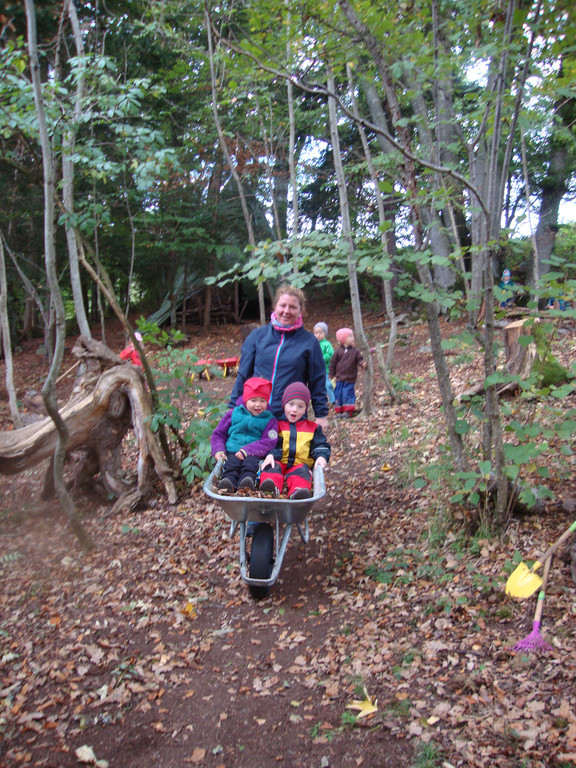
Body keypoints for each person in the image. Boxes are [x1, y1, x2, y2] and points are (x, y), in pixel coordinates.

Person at [229, 284, 329, 429]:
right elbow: (243, 375)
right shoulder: (257, 336)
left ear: (300, 311)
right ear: (275, 306)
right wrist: (233, 407)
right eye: (282, 305)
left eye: (293, 307)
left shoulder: (309, 342)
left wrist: (321, 415)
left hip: (290, 417)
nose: (286, 311)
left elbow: (317, 380)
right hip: (255, 415)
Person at [259, 383, 330, 500]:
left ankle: (298, 491)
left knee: (302, 473)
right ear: (284, 405)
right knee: (271, 467)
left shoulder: (313, 428)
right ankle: (270, 487)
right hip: (280, 462)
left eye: (300, 406)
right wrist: (271, 454)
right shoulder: (276, 426)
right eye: (291, 404)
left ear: (305, 409)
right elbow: (271, 443)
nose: (295, 409)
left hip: (299, 464)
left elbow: (320, 444)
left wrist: (321, 456)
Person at [211, 377, 279, 492]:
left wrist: (248, 450)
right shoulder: (233, 414)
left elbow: (269, 441)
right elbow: (218, 434)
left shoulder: (270, 420)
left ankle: (247, 484)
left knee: (250, 466)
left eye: (262, 401)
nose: (258, 405)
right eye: (253, 400)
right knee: (231, 465)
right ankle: (228, 483)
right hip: (232, 450)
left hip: (254, 453)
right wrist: (218, 450)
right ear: (246, 399)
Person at [329, 327, 365, 418]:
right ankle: (339, 411)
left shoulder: (355, 351)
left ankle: (348, 411)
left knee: (347, 394)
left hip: (350, 378)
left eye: (353, 336)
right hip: (339, 378)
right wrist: (331, 374)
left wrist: (362, 363)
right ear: (344, 339)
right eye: (350, 336)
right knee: (338, 394)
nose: (353, 338)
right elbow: (333, 363)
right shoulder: (338, 351)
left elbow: (359, 359)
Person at [313, 321, 335, 405]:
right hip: (316, 369)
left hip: (325, 369)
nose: (318, 335)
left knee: (327, 384)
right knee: (318, 386)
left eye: (320, 333)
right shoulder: (313, 344)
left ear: (325, 333)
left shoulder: (327, 344)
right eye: (316, 333)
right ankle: (322, 400)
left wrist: (321, 359)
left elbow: (330, 355)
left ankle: (333, 399)